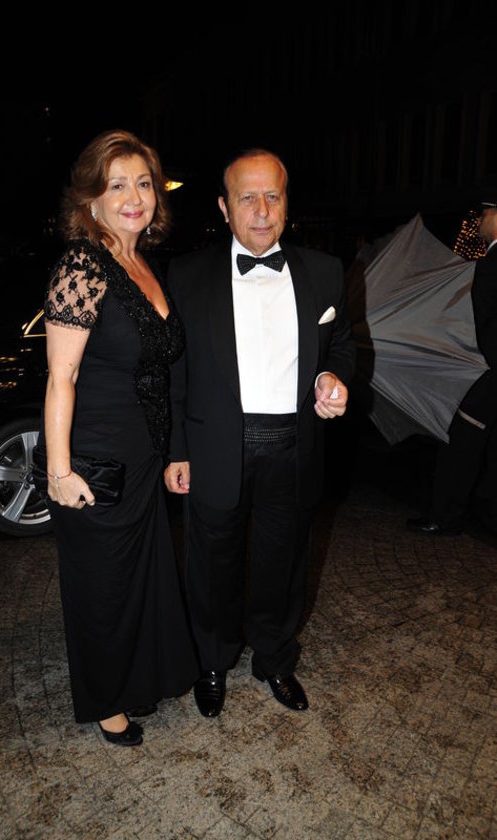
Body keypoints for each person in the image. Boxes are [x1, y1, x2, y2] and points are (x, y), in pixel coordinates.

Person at [164, 149, 355, 717]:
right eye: (248, 197)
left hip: (294, 445)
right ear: (225, 208)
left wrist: (330, 378)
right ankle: (213, 659)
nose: (262, 210)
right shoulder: (187, 275)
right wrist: (177, 450)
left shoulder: (325, 271)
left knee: (284, 563)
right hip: (216, 445)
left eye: (273, 196)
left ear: (286, 203)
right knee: (211, 563)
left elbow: (341, 345)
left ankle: (274, 658)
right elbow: (174, 372)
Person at [39, 129, 198, 746]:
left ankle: (137, 678)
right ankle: (106, 700)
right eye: (117, 186)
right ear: (91, 199)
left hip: (143, 456)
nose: (135, 198)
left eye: (144, 184)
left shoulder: (141, 263)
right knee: (103, 587)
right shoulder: (83, 265)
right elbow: (61, 376)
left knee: (139, 578)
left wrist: (173, 451)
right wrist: (59, 472)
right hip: (97, 458)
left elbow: (162, 369)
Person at [407, 195, 497, 536]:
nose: (480, 221)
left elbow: (476, 324)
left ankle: (446, 516)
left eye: (485, 214)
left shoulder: (490, 265)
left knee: (460, 445)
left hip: (484, 375)